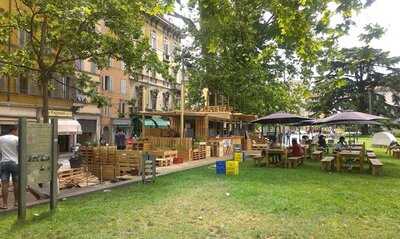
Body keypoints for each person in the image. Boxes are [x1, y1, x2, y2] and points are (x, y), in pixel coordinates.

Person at [0, 127, 19, 209]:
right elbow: (20, 150)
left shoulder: (1, 138)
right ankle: (16, 202)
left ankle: (4, 204)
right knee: (16, 183)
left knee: (4, 184)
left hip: (3, 162)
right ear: (13, 130)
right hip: (15, 162)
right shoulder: (17, 139)